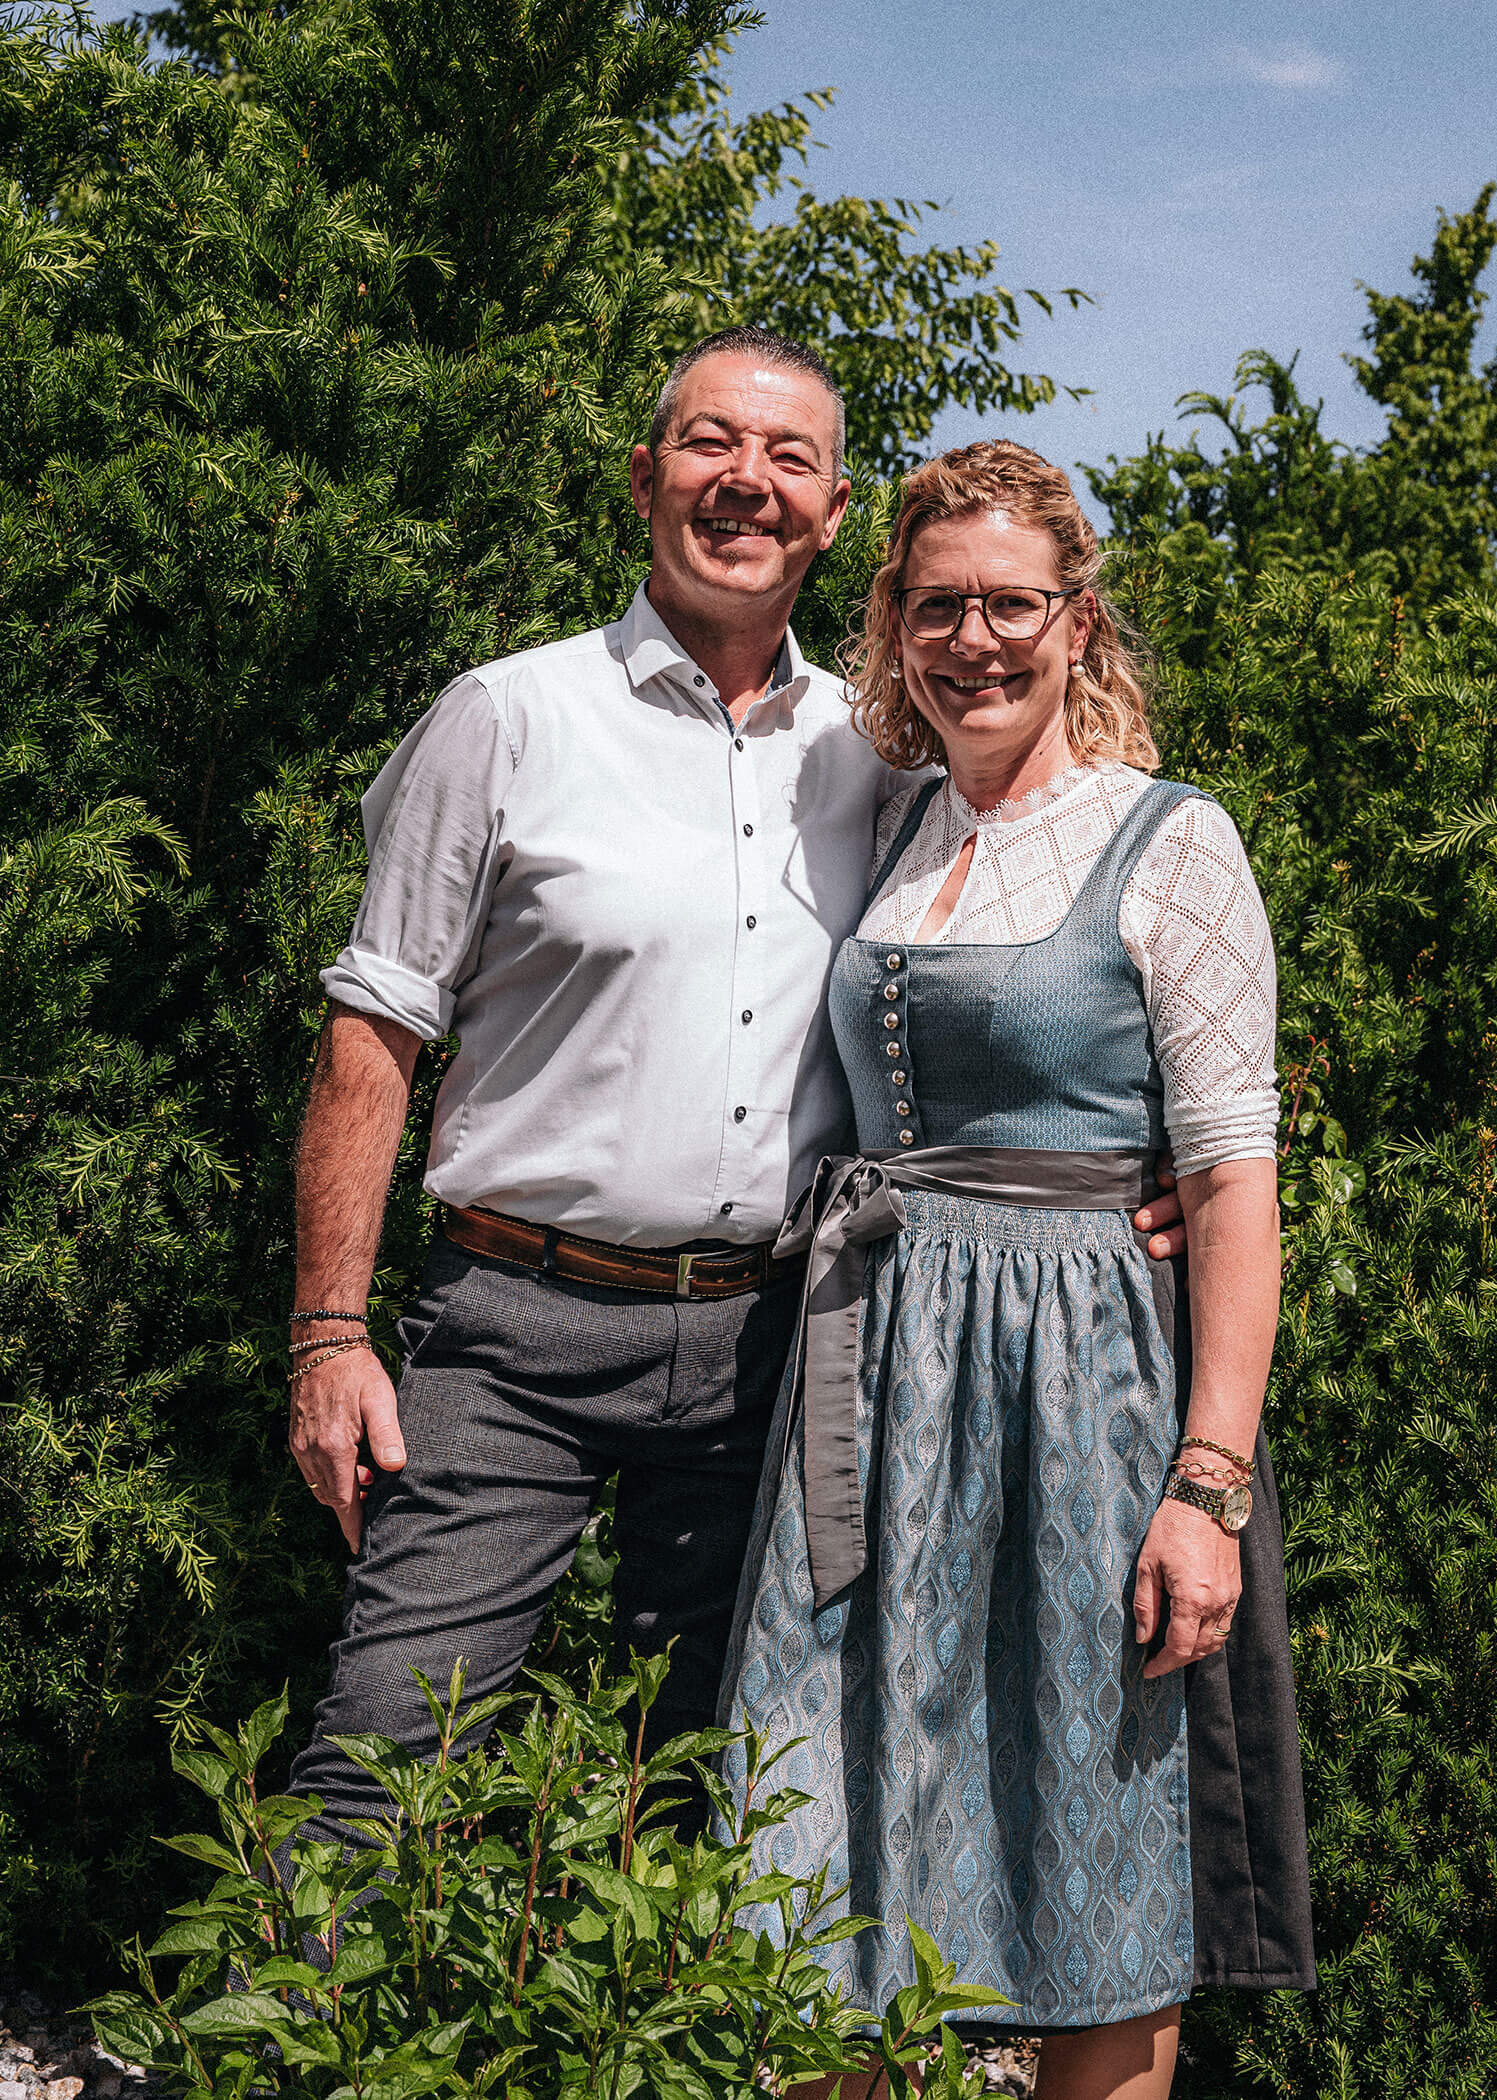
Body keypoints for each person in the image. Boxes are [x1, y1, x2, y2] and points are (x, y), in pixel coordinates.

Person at [282, 332, 1188, 1834]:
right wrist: (328, 1333)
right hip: (511, 1330)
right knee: (385, 1762)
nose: (746, 482)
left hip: (776, 1343)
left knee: (731, 1792)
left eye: (788, 458)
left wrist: (1132, 1172)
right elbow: (372, 1032)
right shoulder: (507, 718)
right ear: (648, 479)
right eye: (711, 443)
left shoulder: (884, 756)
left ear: (834, 516)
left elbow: (1010, 983)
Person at [717, 439, 1314, 2100]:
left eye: (1010, 606)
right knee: (815, 1847)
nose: (973, 640)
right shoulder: (896, 822)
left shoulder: (1170, 842)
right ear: (893, 622)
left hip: (1081, 1396)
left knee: (1091, 1844)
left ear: (1077, 622)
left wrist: (1209, 1485)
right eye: (936, 607)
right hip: (871, 1383)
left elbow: (1234, 1180)